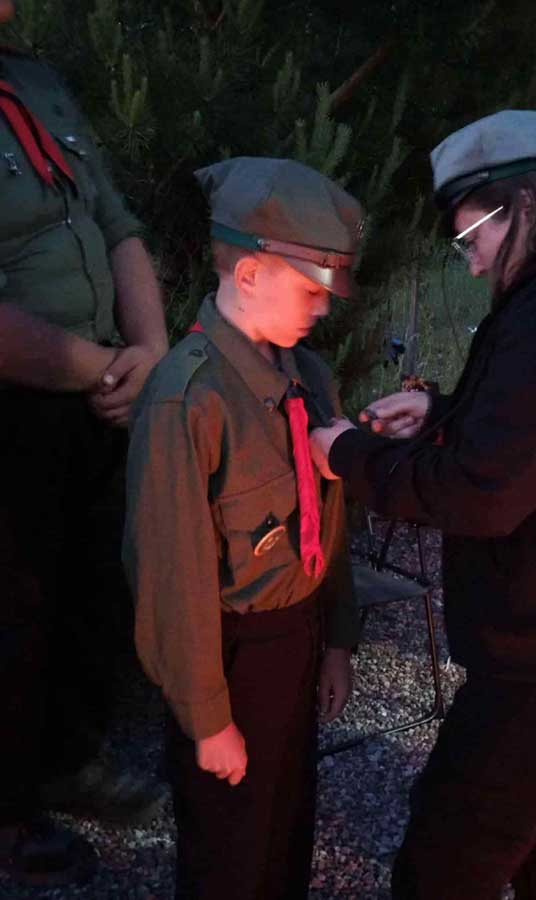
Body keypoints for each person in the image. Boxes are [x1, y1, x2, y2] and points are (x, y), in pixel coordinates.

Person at [310, 109, 536, 899]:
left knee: (446, 862)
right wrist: (446, 414)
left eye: (471, 238)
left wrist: (346, 454)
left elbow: (483, 493)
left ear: (525, 205)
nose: (471, 264)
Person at [123, 156, 362, 899]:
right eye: (310, 289)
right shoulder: (188, 399)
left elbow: (329, 521)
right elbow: (172, 579)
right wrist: (206, 720)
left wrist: (336, 640)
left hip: (297, 637)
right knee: (229, 851)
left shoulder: (308, 377)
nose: (322, 308)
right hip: (228, 657)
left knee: (286, 829)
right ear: (251, 272)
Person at [0, 5, 168, 884]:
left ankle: (67, 760)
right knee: (11, 609)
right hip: (16, 402)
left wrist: (152, 352)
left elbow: (115, 221)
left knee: (90, 585)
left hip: (97, 390)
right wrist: (109, 369)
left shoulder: (34, 79)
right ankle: (9, 814)